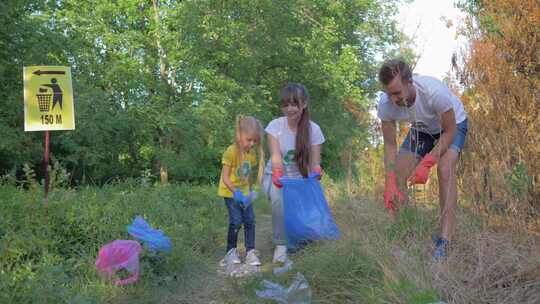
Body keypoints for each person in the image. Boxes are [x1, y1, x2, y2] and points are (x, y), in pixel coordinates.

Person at [377, 59, 468, 260]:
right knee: (399, 173)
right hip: (422, 129)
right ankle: (405, 233)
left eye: (397, 93)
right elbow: (390, 145)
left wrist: (428, 162)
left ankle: (445, 240)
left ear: (410, 82)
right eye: (388, 94)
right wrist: (389, 180)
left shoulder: (433, 92)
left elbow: (451, 130)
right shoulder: (386, 104)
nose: (393, 100)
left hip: (452, 126)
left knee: (444, 169)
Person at [263, 83, 325, 264]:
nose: (289, 109)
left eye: (294, 104)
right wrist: (276, 173)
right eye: (285, 104)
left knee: (309, 215)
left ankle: (301, 237)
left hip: (300, 181)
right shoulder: (275, 126)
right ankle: (280, 245)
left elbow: (315, 163)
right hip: (276, 177)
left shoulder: (314, 130)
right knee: (278, 197)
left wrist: (316, 171)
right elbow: (275, 156)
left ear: (304, 104)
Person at [218, 115, 265, 266]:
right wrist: (235, 193)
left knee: (250, 220)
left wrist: (251, 191)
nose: (252, 144)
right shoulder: (230, 152)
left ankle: (250, 252)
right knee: (236, 221)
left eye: (254, 141)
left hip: (244, 194)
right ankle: (230, 252)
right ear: (239, 136)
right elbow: (225, 177)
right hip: (230, 193)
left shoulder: (251, 155)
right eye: (249, 139)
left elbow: (247, 177)